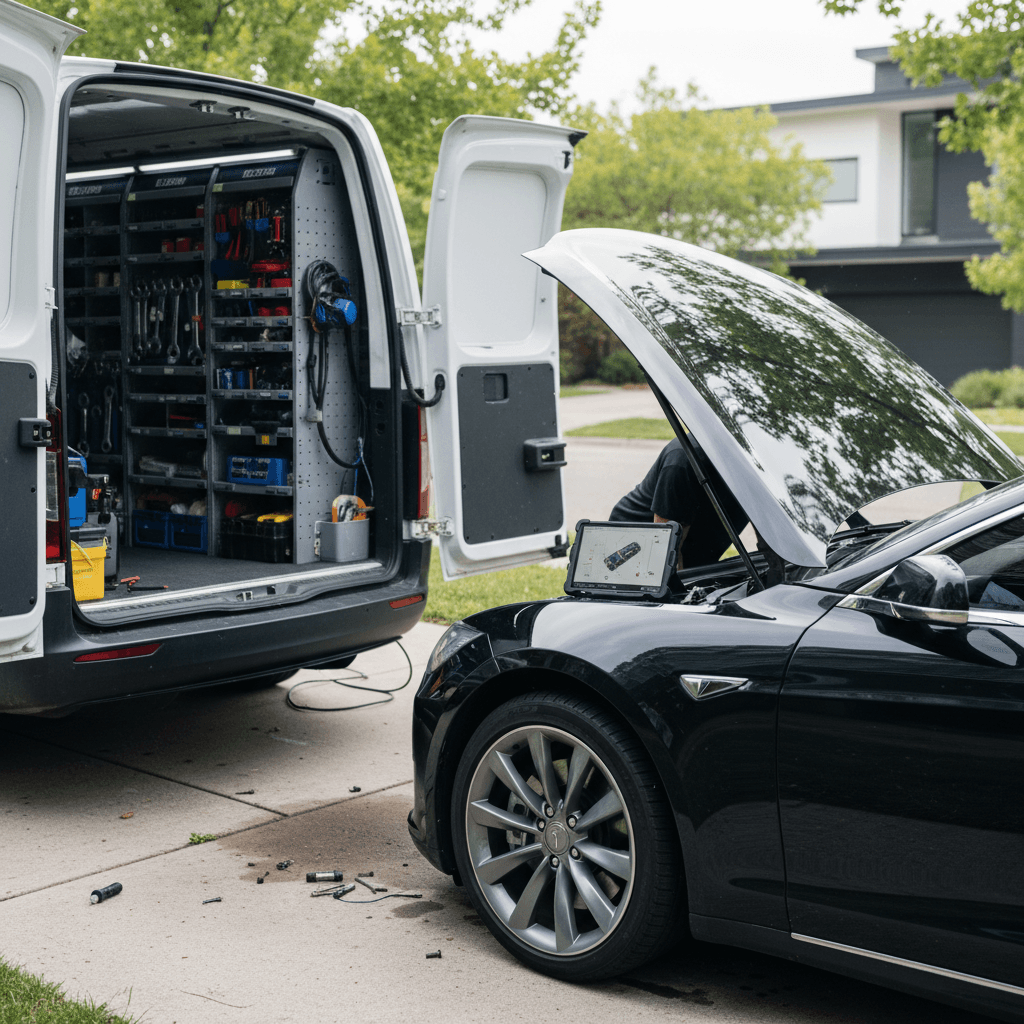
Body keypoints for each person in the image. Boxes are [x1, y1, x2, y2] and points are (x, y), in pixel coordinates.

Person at [609, 437, 748, 569]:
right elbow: (665, 550)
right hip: (633, 541)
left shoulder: (754, 460)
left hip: (695, 543)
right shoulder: (682, 461)